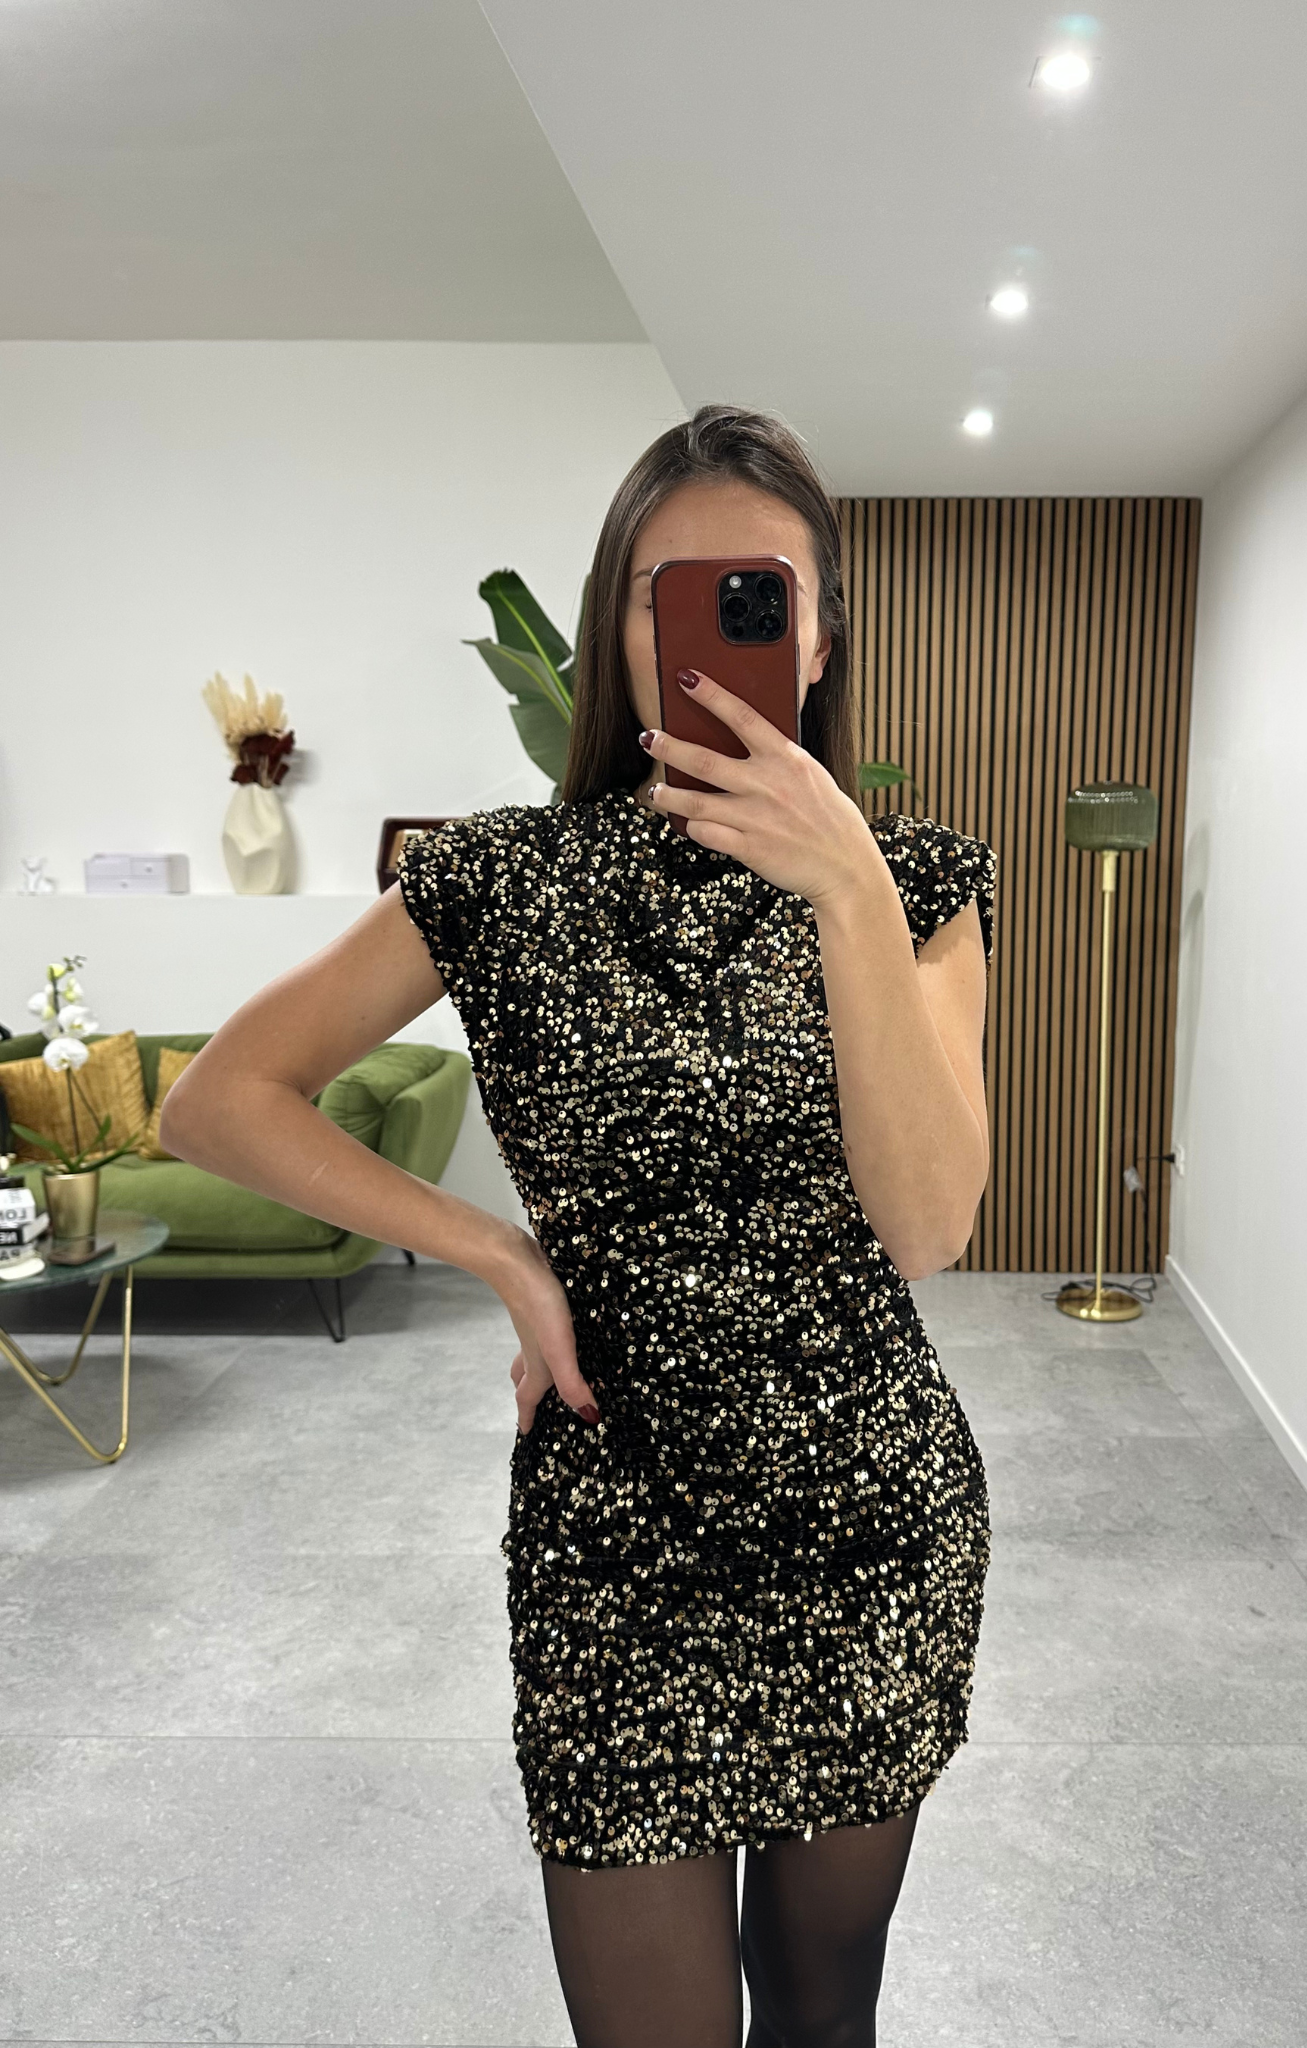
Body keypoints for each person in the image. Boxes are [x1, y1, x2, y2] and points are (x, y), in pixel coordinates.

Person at [162, 404, 994, 2048]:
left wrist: (842, 888)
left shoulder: (917, 885)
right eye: (666, 594)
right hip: (617, 1531)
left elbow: (926, 1225)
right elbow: (220, 1099)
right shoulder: (495, 881)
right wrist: (499, 1252)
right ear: (618, 629)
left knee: (823, 2012)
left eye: (760, 594)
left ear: (822, 638)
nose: (713, 632)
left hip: (867, 1521)